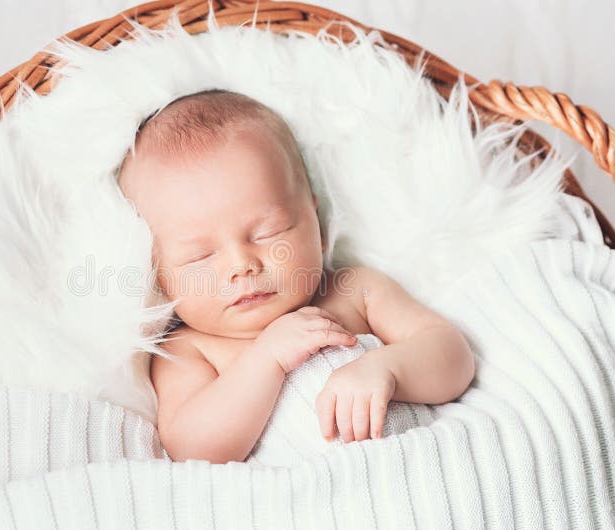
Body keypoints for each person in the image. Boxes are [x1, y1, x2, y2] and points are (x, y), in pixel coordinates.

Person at [117, 88, 475, 464]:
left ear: (317, 228)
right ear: (161, 278)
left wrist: (388, 369)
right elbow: (192, 448)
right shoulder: (189, 350)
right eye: (200, 256)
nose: (242, 265)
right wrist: (266, 359)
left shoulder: (353, 291)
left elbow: (454, 356)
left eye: (268, 233)